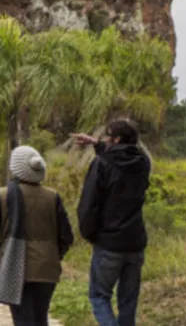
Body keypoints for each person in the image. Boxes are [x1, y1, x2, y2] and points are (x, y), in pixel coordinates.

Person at [0, 145, 75, 326]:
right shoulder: (53, 197)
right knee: (40, 318)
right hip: (47, 268)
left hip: (15, 266)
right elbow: (67, 236)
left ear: (15, 168)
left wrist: (0, 256)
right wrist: (54, 255)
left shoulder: (2, 195)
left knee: (22, 319)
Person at [72, 119, 151, 326]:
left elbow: (89, 204)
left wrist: (89, 234)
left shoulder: (101, 164)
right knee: (128, 301)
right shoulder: (143, 163)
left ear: (115, 140)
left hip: (109, 243)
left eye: (108, 136)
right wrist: (96, 144)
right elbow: (119, 160)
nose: (105, 139)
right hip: (135, 243)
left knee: (99, 297)